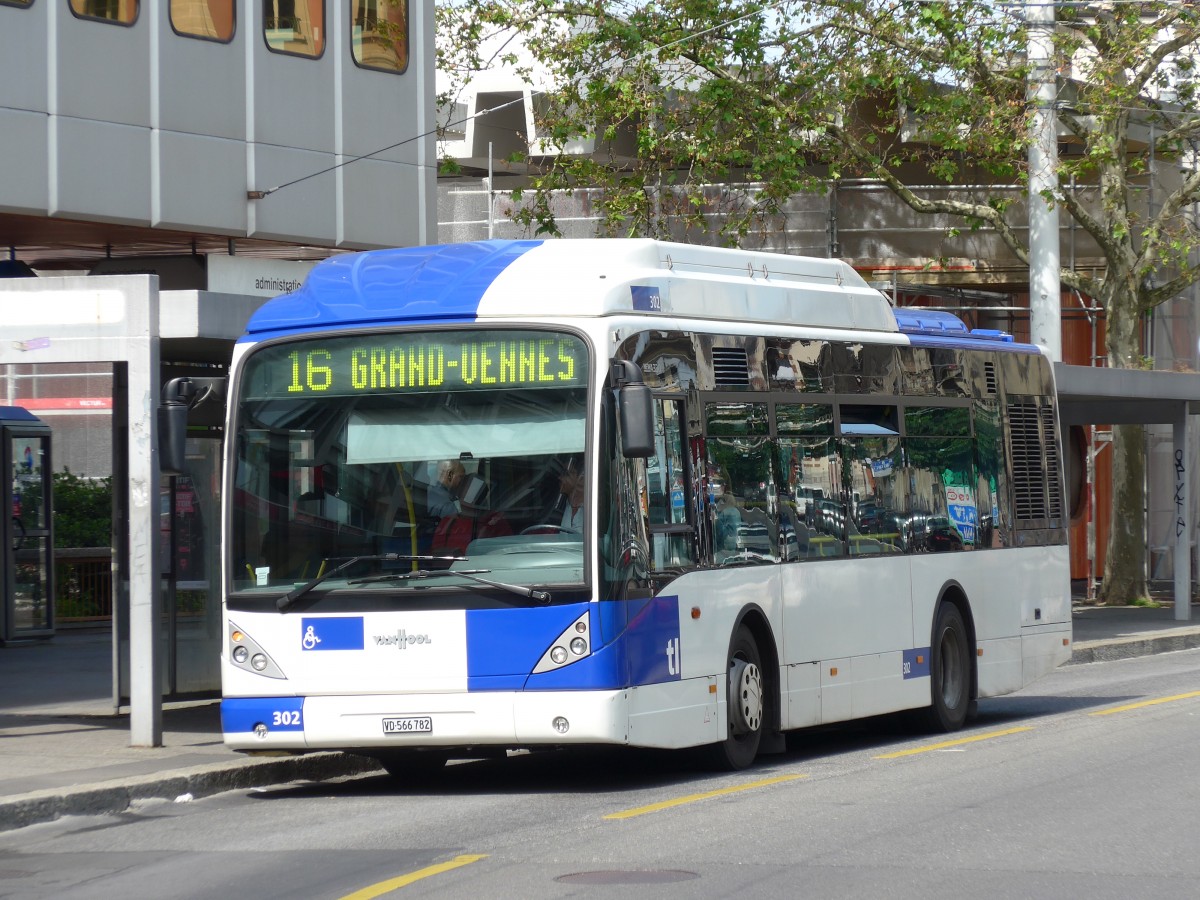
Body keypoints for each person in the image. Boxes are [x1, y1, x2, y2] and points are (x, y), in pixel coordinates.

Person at [432, 473, 512, 556]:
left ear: (483, 496)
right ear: (458, 493)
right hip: (450, 568)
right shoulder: (447, 522)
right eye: (466, 490)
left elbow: (507, 553)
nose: (471, 496)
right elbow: (436, 553)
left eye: (476, 491)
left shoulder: (496, 521)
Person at [558, 459, 585, 532]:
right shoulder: (562, 505)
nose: (560, 478)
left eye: (566, 474)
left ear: (581, 479)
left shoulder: (592, 510)